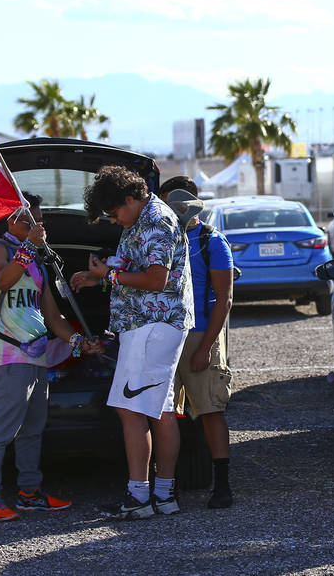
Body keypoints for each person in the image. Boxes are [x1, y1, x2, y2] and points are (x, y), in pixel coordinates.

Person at [70, 166, 193, 520]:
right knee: (161, 410)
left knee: (131, 410)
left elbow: (156, 280)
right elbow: (137, 271)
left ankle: (139, 497)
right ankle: (164, 496)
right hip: (155, 326)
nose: (114, 221)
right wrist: (98, 281)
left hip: (151, 326)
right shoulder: (143, 219)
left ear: (129, 198)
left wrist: (104, 275)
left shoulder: (155, 221)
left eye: (114, 213)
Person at [0, 193, 101, 522]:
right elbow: (3, 281)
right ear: (12, 220)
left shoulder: (35, 263)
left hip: (37, 356)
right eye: (31, 219)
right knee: (1, 430)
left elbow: (53, 317)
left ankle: (29, 492)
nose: (38, 225)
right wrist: (30, 246)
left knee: (32, 429)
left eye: (40, 219)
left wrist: (78, 341)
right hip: (8, 354)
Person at [158, 175, 235, 509]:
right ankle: (166, 487)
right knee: (162, 412)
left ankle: (222, 486)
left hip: (199, 336)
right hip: (163, 336)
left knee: (210, 411)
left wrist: (206, 348)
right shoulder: (159, 239)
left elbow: (225, 299)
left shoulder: (211, 241)